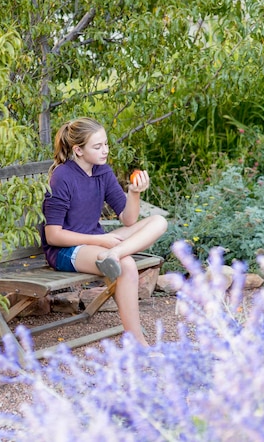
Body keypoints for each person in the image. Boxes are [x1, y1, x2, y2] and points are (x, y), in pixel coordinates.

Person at [40, 117, 168, 346]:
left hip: (99, 243)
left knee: (159, 221)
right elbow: (53, 235)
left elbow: (128, 219)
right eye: (97, 146)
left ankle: (115, 253)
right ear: (78, 150)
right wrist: (100, 239)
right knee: (126, 265)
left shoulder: (103, 172)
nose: (105, 150)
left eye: (106, 144)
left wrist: (134, 193)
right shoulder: (62, 177)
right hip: (66, 250)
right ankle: (137, 342)